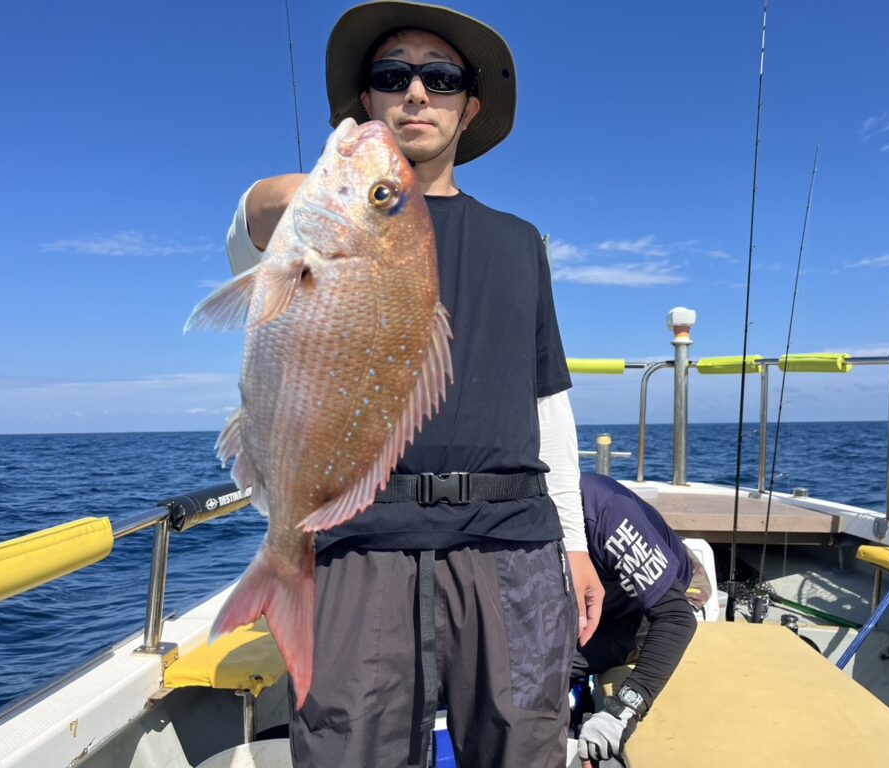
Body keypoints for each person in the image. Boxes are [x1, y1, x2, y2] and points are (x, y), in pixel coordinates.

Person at [223, 3, 604, 766]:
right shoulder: (319, 213)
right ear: (366, 100)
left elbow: (548, 404)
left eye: (442, 79)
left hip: (510, 536)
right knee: (347, 749)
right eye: (393, 75)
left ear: (471, 107)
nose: (417, 93)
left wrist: (574, 543)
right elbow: (248, 237)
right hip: (360, 539)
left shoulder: (520, 243)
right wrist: (295, 199)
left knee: (525, 744)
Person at [572, 473, 705, 767]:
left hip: (660, 598)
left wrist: (622, 711)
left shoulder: (606, 511)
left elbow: (675, 618)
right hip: (598, 598)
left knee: (552, 663)